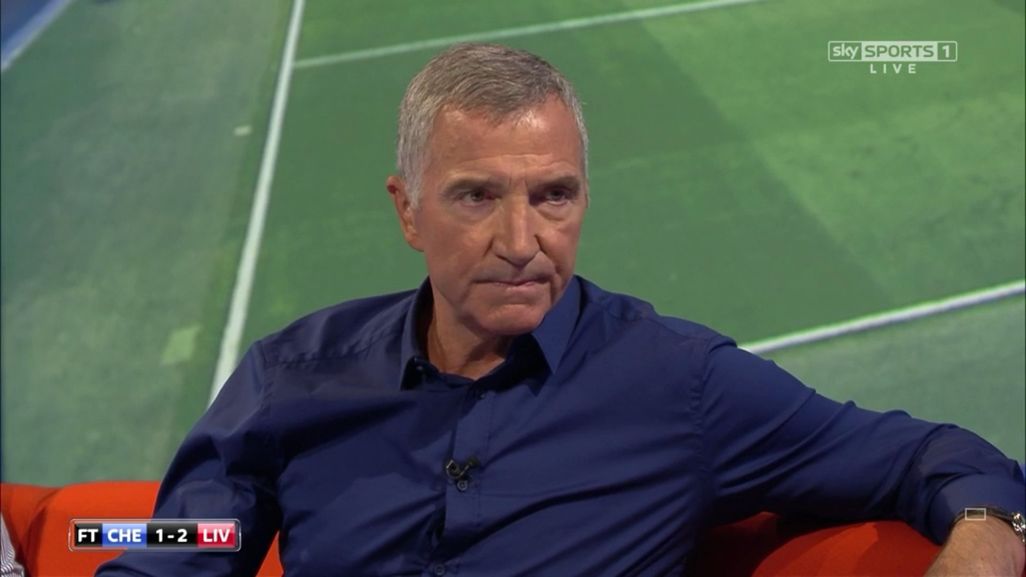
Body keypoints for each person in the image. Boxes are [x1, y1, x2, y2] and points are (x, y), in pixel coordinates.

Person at [97, 43, 1025, 577]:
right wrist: (99, 542)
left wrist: (987, 536)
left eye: (554, 195)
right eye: (476, 196)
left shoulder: (680, 382)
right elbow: (186, 538)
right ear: (407, 210)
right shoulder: (291, 374)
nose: (522, 239)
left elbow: (940, 458)